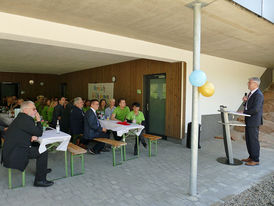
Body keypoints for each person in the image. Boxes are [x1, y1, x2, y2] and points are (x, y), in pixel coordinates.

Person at [1, 101, 53, 187]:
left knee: (39, 145)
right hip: (16, 152)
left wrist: (32, 135)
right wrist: (38, 120)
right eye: (33, 109)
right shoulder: (25, 119)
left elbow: (28, 131)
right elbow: (39, 132)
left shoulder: (21, 117)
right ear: (25, 110)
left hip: (12, 149)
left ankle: (41, 170)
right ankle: (40, 180)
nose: (35, 111)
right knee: (43, 152)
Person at [241, 77, 264, 166]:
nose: (248, 84)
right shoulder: (251, 93)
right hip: (249, 120)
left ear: (255, 84)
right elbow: (249, 107)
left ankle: (255, 159)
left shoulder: (258, 94)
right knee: (249, 139)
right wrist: (245, 102)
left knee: (253, 140)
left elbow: (255, 109)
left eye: (249, 82)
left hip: (254, 121)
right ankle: (251, 156)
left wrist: (243, 112)